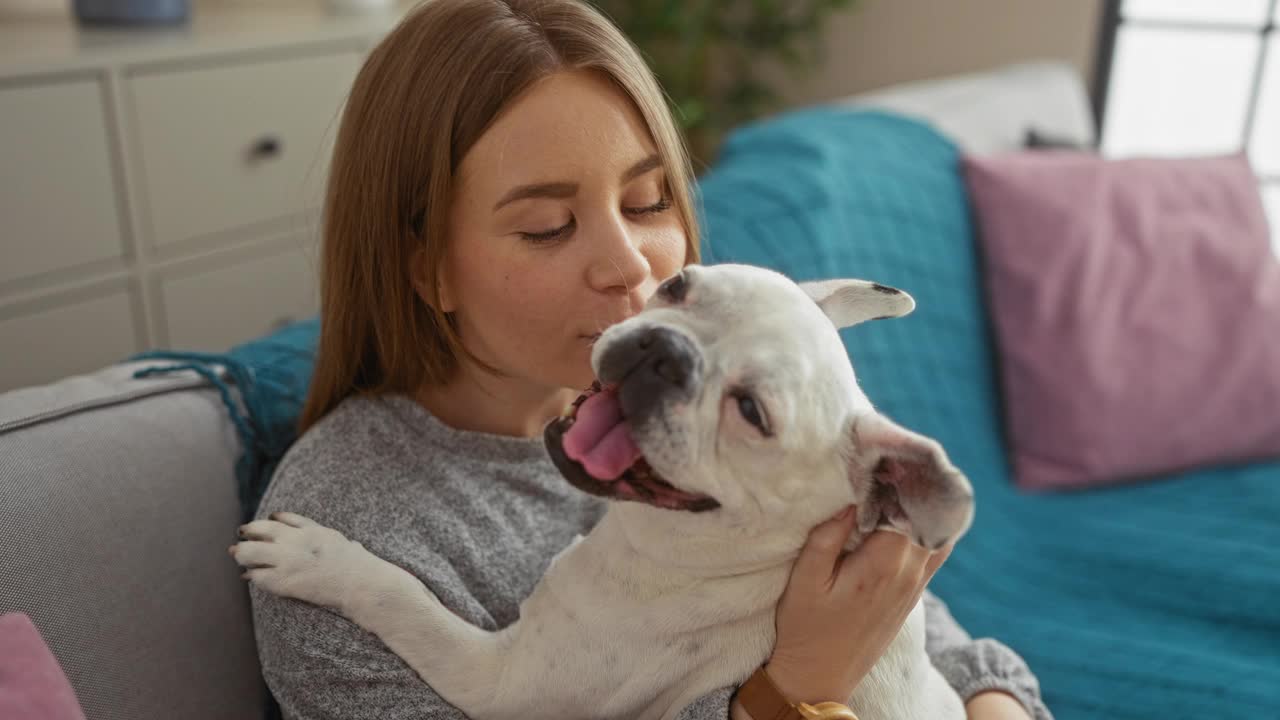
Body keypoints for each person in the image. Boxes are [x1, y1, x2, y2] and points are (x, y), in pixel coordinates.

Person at [245, 1, 1052, 718]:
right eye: (546, 226)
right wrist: (797, 689)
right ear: (427, 266)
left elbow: (894, 602)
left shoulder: (723, 392)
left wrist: (992, 699)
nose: (629, 264)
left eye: (647, 202)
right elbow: (838, 642)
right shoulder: (345, 522)